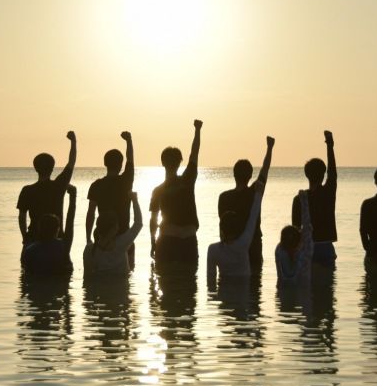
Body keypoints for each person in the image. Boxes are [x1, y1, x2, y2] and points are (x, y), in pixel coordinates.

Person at [150, 119, 203, 270]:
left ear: (162, 163)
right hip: (188, 238)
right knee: (188, 279)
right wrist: (197, 130)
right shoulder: (188, 180)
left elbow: (153, 220)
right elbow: (194, 152)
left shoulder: (158, 190)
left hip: (167, 239)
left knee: (165, 279)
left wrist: (153, 242)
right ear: (180, 163)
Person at [217, 136, 275, 269]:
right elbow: (265, 169)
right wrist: (270, 148)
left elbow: (222, 225)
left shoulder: (224, 197)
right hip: (253, 247)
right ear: (250, 176)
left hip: (230, 248)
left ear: (234, 175)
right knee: (255, 279)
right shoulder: (254, 192)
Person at [17, 131, 77, 244]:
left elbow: (22, 217)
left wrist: (25, 237)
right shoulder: (58, 186)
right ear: (52, 168)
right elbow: (71, 162)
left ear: (35, 168)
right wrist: (73, 141)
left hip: (34, 237)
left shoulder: (27, 190)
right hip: (56, 239)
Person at [86, 131, 135, 268]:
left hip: (102, 237)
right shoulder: (126, 180)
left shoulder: (96, 185)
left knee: (100, 270)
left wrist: (88, 237)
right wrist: (129, 140)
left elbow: (91, 213)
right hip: (124, 236)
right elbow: (130, 159)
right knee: (128, 271)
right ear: (121, 165)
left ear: (105, 164)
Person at [207, 180, 265, 288]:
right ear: (238, 229)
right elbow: (253, 217)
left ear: (221, 230)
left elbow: (211, 282)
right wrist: (258, 194)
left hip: (224, 296)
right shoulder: (244, 243)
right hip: (243, 297)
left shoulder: (213, 250)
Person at [291, 130, 337, 266]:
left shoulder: (299, 199)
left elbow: (295, 230)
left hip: (306, 248)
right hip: (325, 246)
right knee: (327, 279)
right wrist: (330, 145)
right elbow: (332, 172)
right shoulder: (328, 193)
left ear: (307, 175)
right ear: (323, 175)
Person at [83, 192, 143, 277]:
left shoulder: (89, 250)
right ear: (114, 230)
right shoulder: (122, 244)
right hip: (121, 284)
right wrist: (134, 200)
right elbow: (138, 223)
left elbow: (87, 277)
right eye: (117, 226)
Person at [21, 184, 76, 275]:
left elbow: (26, 274)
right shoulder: (63, 246)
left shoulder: (29, 250)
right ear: (57, 230)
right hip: (59, 282)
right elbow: (70, 220)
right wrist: (73, 195)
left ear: (39, 229)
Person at [276, 190, 313, 286]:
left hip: (282, 292)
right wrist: (304, 200)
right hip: (304, 292)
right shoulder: (305, 252)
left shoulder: (279, 252)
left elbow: (306, 229)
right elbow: (307, 226)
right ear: (299, 241)